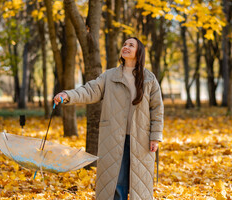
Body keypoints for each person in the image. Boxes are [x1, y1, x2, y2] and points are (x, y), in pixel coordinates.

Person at [54, 37, 164, 200]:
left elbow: (157, 109)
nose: (126, 47)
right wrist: (68, 95)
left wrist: (155, 137)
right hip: (113, 138)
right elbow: (89, 91)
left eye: (131, 45)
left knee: (138, 185)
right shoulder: (110, 76)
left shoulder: (149, 79)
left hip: (140, 139)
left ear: (139, 52)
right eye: (125, 44)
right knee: (115, 183)